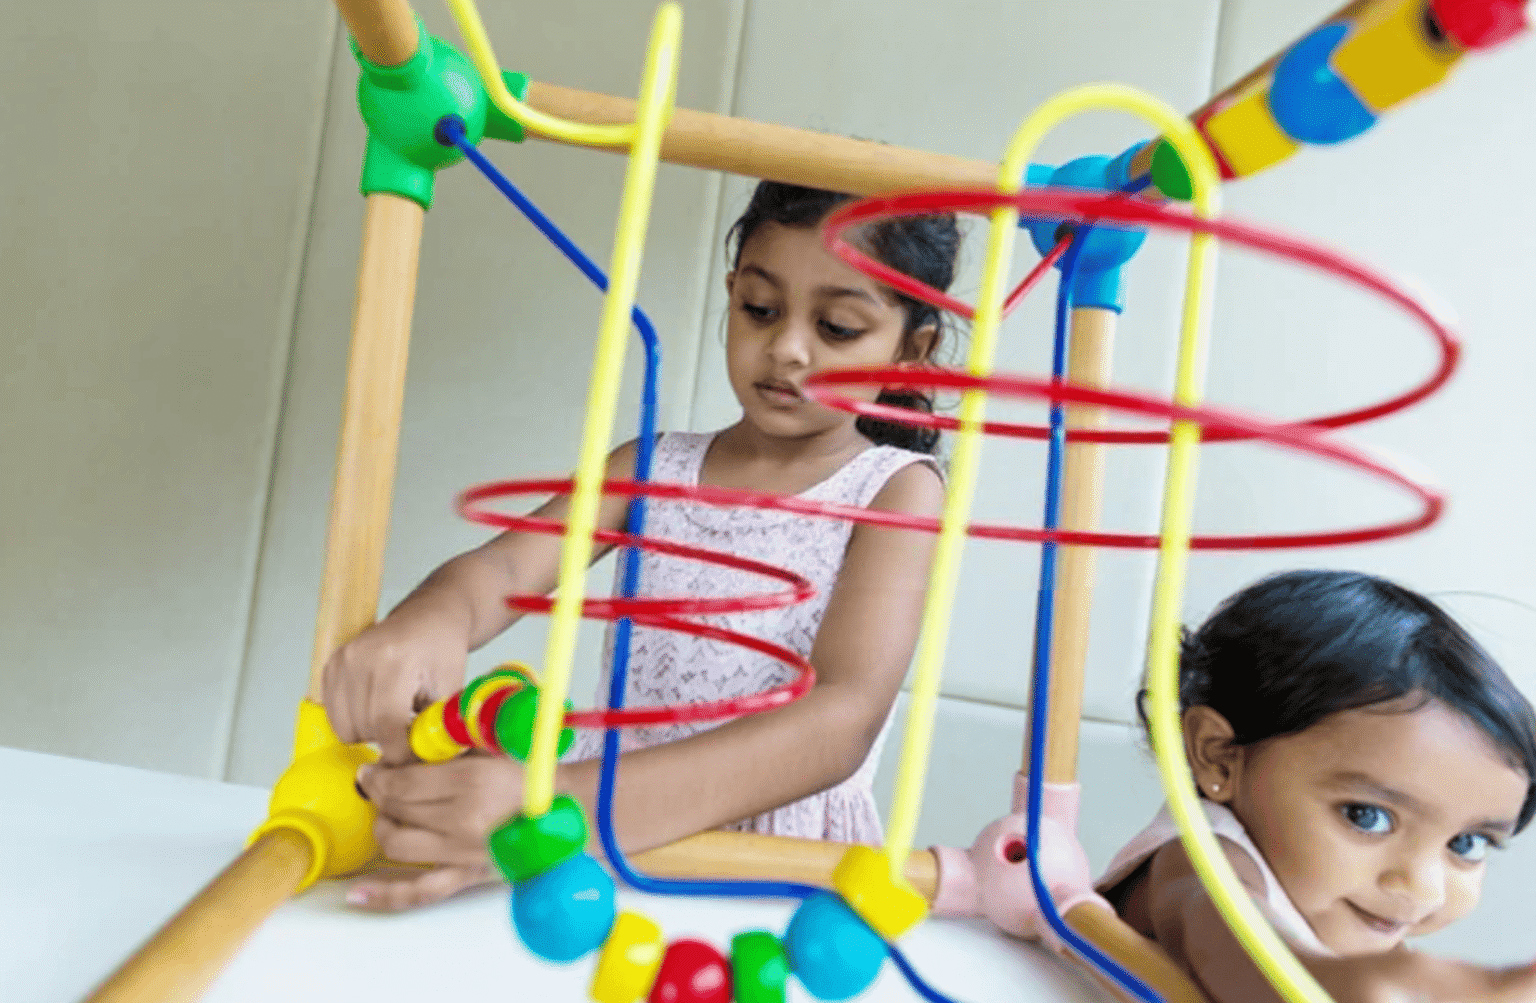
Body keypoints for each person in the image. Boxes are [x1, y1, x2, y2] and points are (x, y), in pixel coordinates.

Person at [328, 180, 961, 910]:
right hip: (599, 857)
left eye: (839, 328)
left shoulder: (896, 489)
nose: (787, 348)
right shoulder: (652, 467)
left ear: (912, 349)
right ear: (730, 295)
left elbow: (839, 720)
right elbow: (505, 566)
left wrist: (554, 803)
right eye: (759, 308)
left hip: (767, 877)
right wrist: (432, 616)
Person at [1100, 569, 1536, 1002]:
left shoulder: (1350, 921)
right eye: (1367, 817)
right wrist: (1334, 981)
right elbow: (1221, 943)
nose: (1424, 887)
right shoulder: (1200, 861)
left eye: (1466, 845)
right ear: (1219, 756)